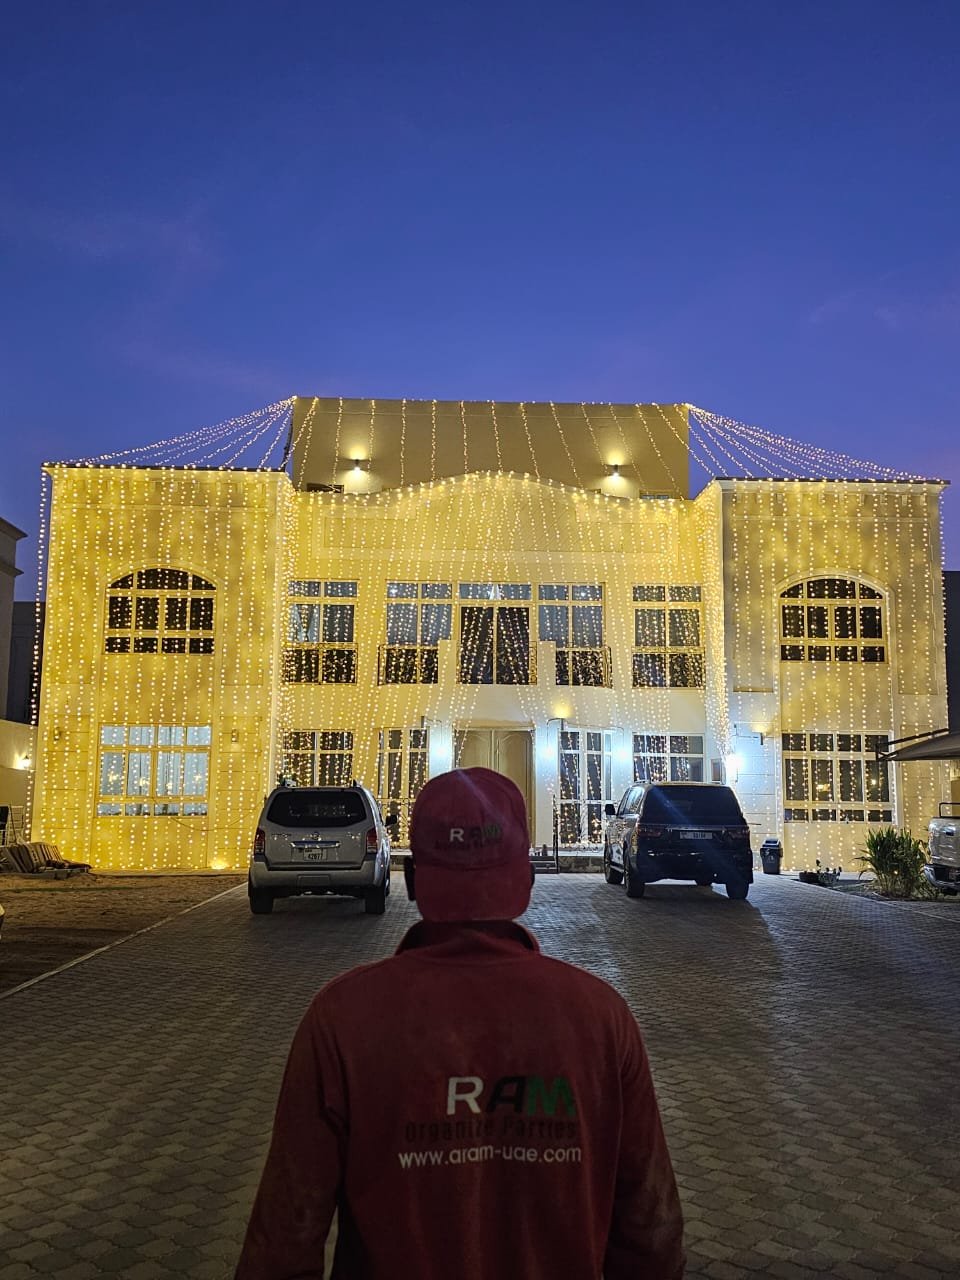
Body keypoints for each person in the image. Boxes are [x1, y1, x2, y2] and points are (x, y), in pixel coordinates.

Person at [235, 766, 684, 1280]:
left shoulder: (343, 1020)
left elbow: (284, 1238)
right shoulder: (601, 1019)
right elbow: (651, 1232)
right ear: (527, 878)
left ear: (411, 879)